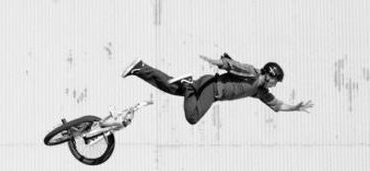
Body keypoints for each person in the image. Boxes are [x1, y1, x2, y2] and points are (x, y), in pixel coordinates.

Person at [121, 53, 314, 125]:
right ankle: (188, 84)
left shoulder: (260, 91)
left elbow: (277, 105)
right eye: (275, 81)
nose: (274, 85)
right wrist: (217, 62)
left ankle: (139, 68)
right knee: (192, 117)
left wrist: (295, 108)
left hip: (208, 86)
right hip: (211, 89)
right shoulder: (253, 73)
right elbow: (234, 65)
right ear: (270, 75)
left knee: (170, 86)